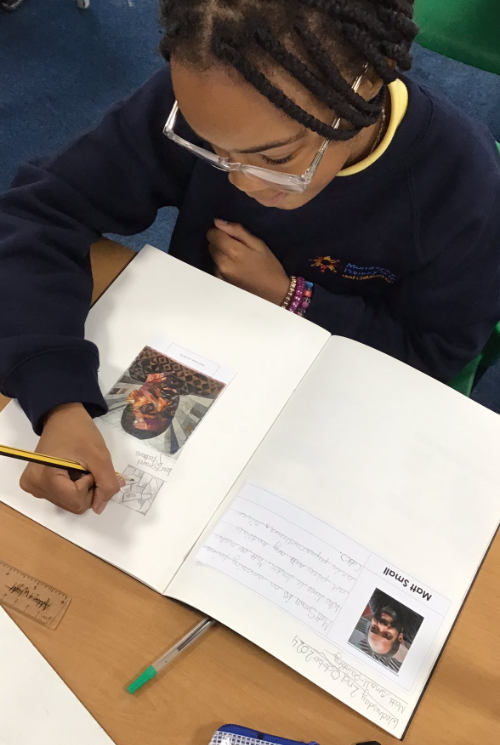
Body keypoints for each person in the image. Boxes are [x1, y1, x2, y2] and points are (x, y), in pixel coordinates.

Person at [1, 0, 500, 516]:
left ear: (369, 80)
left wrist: (294, 298)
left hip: (333, 411)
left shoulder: (458, 184)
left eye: (276, 158)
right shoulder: (212, 94)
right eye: (210, 147)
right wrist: (57, 398)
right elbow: (39, 212)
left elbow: (434, 354)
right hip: (203, 361)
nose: (242, 182)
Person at [350, 590, 421, 672]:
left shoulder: (376, 606)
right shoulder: (417, 630)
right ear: (400, 638)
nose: (381, 625)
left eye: (374, 628)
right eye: (387, 634)